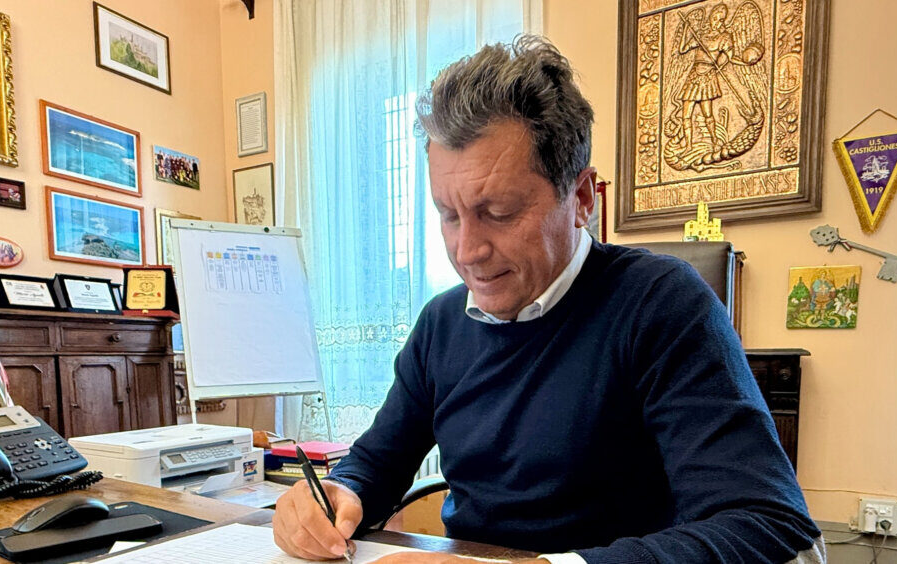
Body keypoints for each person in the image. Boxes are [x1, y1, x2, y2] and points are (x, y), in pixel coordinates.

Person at [273, 35, 825, 563]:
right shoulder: (441, 323)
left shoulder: (662, 306)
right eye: (448, 214)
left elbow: (773, 529)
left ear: (581, 198)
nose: (467, 251)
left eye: (498, 212)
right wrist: (339, 494)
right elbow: (376, 462)